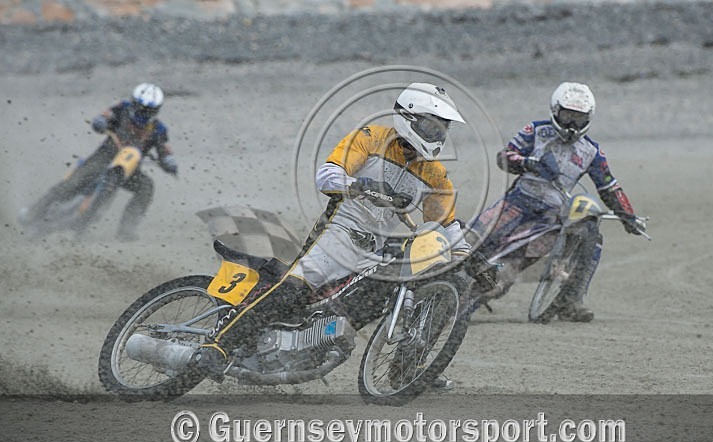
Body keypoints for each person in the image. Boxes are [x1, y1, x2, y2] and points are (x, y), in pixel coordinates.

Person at [191, 82, 480, 384]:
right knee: (295, 289)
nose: (438, 135)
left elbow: (447, 226)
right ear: (409, 118)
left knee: (385, 295)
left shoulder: (435, 173)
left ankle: (408, 368)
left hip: (374, 251)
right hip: (339, 232)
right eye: (432, 127)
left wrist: (471, 261)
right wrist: (356, 185)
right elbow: (327, 175)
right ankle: (217, 346)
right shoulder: (370, 138)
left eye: (443, 130)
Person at [471, 81, 645, 322]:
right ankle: (430, 283)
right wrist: (527, 162)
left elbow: (608, 185)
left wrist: (628, 216)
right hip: (517, 203)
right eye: (567, 116)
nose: (572, 124)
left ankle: (569, 300)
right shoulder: (535, 131)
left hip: (549, 219)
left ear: (588, 118)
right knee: (474, 241)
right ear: (555, 111)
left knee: (508, 269)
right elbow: (504, 157)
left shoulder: (591, 152)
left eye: (579, 118)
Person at [27, 83, 178, 241]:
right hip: (105, 157)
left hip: (130, 170)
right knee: (73, 182)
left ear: (156, 110)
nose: (143, 113)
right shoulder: (122, 108)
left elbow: (165, 149)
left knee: (147, 186)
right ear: (134, 103)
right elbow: (105, 115)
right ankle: (34, 212)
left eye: (148, 110)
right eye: (140, 108)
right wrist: (101, 121)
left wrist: (169, 161)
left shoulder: (159, 129)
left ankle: (127, 229)